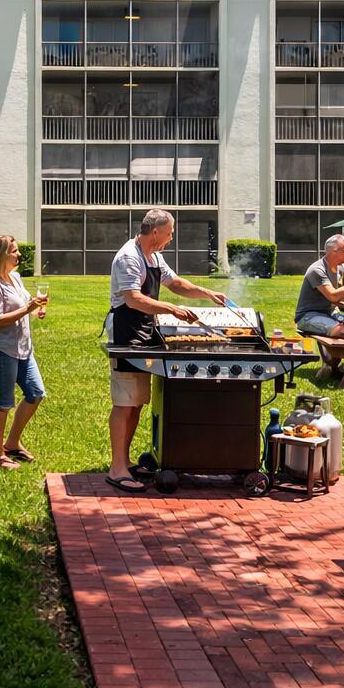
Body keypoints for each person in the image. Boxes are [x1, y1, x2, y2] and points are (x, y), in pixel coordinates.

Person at [105, 208, 229, 493]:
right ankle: (116, 468)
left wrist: (206, 293)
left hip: (144, 332)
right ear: (155, 231)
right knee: (124, 403)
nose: (171, 239)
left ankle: (124, 461)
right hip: (126, 334)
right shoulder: (129, 257)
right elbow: (133, 299)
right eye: (170, 233)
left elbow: (175, 283)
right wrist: (172, 309)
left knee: (136, 402)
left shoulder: (154, 256)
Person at [0, 235, 48, 470]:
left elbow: (26, 304)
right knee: (4, 402)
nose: (19, 254)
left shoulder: (16, 278)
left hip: (23, 349)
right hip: (2, 350)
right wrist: (27, 309)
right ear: (2, 255)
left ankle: (12, 443)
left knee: (35, 393)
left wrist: (35, 310)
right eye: (14, 251)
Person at [294, 234, 344, 379]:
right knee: (343, 331)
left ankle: (335, 364)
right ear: (333, 251)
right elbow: (333, 296)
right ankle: (334, 364)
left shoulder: (343, 268)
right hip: (309, 316)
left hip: (331, 312)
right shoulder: (317, 270)